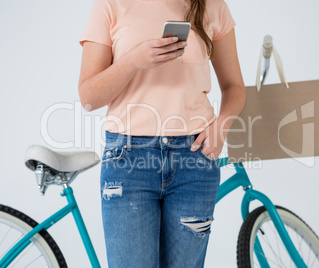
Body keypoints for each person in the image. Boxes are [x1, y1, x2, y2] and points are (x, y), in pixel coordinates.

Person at [78, 0, 246, 266]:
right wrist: (134, 60)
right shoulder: (111, 5)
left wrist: (221, 126)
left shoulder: (212, 6)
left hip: (194, 160)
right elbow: (88, 97)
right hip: (128, 161)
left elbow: (234, 86)